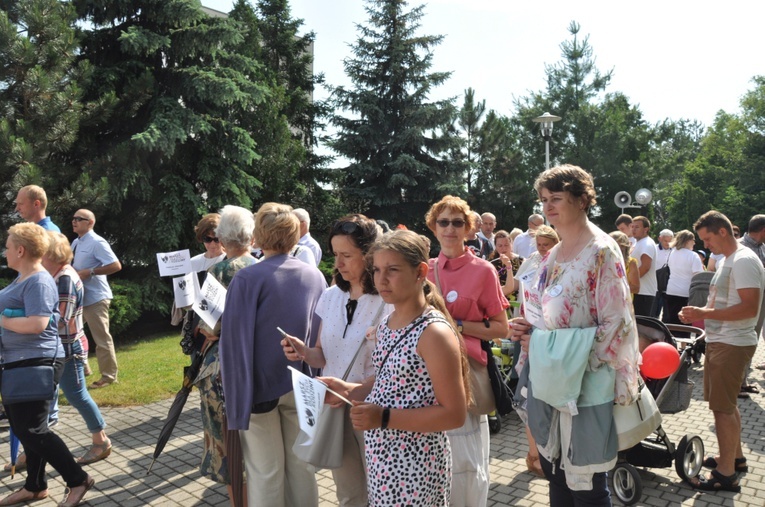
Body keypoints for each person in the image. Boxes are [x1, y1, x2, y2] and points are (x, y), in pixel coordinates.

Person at [510, 165, 639, 506]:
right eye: (543, 200)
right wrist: (528, 330)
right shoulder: (554, 253)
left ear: (582, 201)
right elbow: (543, 314)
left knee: (586, 482)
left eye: (556, 198)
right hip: (553, 379)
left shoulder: (601, 251)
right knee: (556, 474)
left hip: (585, 384)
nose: (547, 207)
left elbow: (617, 325)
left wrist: (549, 348)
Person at [323, 230, 470, 505]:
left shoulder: (433, 332)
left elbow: (454, 414)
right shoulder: (388, 323)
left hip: (416, 466)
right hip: (384, 459)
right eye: (377, 270)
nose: (381, 280)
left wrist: (385, 418)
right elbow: (389, 384)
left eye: (392, 270)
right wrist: (349, 390)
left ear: (420, 272)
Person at [219, 203, 327, 507]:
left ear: (259, 235)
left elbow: (234, 343)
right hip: (302, 384)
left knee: (265, 472)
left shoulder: (248, 279)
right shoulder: (314, 276)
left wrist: (236, 397)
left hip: (259, 388)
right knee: (302, 467)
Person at [282, 214, 392, 507]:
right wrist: (303, 351)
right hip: (336, 409)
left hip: (375, 409)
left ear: (369, 256)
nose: (338, 263)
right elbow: (321, 353)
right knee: (349, 494)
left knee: (383, 492)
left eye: (347, 255)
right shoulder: (330, 296)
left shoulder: (388, 301)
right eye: (335, 255)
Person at [0, 223, 95, 507]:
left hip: (36, 362)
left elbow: (39, 323)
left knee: (33, 429)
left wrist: (1, 320)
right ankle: (35, 486)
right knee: (25, 426)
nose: (4, 251)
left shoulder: (38, 281)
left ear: (20, 249)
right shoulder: (22, 278)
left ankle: (78, 479)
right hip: (20, 362)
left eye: (7, 246)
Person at [425, 195, 509, 507]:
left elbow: (501, 328)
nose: (449, 228)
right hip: (425, 377)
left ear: (469, 228)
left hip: (466, 376)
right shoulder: (425, 269)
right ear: (434, 228)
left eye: (457, 222)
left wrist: (456, 325)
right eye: (443, 222)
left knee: (466, 467)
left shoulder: (483, 270)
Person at [679, 211, 765, 492]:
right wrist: (702, 316)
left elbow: (750, 307)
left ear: (723, 232)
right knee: (727, 406)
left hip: (732, 342)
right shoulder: (731, 259)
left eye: (708, 239)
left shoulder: (743, 260)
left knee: (721, 410)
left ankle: (726, 473)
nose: (706, 245)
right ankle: (734, 458)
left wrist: (704, 312)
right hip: (723, 340)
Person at [193, 206, 257, 507]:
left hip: (222, 366)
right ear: (251, 236)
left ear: (221, 237)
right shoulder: (260, 266)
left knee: (227, 444)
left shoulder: (218, 271)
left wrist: (217, 330)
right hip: (256, 360)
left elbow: (207, 325)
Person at [42, 232, 112, 465]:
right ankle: (34, 449)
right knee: (47, 396)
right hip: (59, 347)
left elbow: (61, 318)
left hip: (68, 348)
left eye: (41, 250)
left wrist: (27, 321)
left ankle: (101, 441)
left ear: (51, 253)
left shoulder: (65, 278)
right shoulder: (56, 274)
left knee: (77, 395)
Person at [70, 210, 122, 388]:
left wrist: (91, 271)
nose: (74, 221)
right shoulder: (76, 242)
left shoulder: (97, 242)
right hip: (80, 298)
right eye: (73, 218)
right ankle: (84, 368)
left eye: (79, 219)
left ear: (90, 222)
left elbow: (116, 265)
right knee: (73, 333)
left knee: (101, 338)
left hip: (96, 298)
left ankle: (108, 377)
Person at [663, 230, 704, 328]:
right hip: (686, 292)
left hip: (671, 290)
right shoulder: (693, 255)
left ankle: (671, 342)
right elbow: (698, 277)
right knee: (685, 323)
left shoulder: (672, 253)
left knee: (672, 322)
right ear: (687, 241)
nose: (694, 242)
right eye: (693, 240)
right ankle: (684, 343)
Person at [631, 216, 658, 316]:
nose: (633, 229)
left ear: (646, 229)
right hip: (638, 292)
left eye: (637, 227)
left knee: (641, 328)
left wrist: (631, 281)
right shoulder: (638, 243)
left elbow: (645, 267)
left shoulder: (646, 243)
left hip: (644, 293)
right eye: (632, 226)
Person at [487, 230, 523, 299]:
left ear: (511, 244)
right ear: (496, 247)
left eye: (506, 245)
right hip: (499, 299)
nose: (504, 248)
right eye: (500, 246)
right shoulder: (491, 263)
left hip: (518, 301)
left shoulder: (521, 261)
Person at [610, 231, 640, 296]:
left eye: (614, 244)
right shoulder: (602, 261)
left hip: (623, 301)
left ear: (623, 246)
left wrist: (613, 288)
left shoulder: (631, 263)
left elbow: (636, 288)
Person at [652, 229, 674, 317]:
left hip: (669, 285)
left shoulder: (675, 251)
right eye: (665, 241)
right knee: (654, 311)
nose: (668, 243)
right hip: (655, 284)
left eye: (670, 241)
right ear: (660, 239)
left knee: (667, 313)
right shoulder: (654, 249)